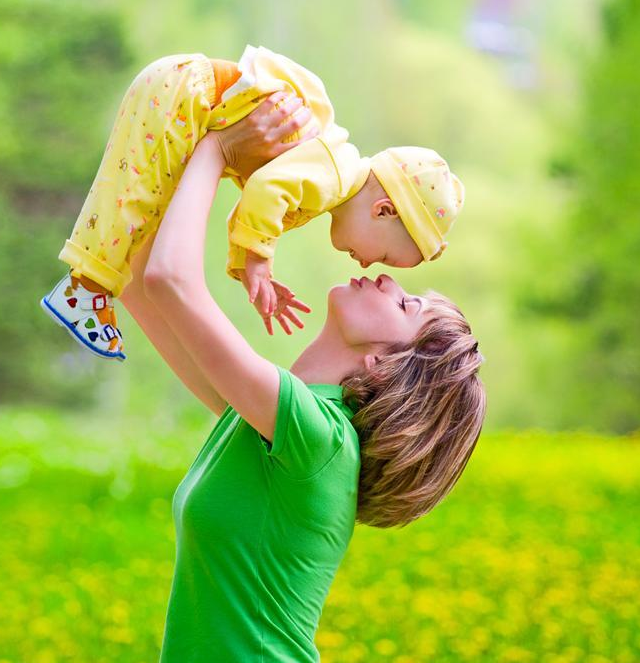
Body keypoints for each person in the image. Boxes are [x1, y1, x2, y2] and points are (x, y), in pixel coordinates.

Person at [118, 97, 486, 662]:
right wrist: (172, 141)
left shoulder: (321, 441)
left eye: (408, 305)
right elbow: (140, 282)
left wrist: (219, 148)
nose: (387, 281)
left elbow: (170, 280)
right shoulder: (269, 423)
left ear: (389, 365)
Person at [40, 45, 465, 361]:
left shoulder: (327, 180)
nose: (368, 266)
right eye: (385, 255)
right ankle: (86, 290)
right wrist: (260, 260)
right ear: (384, 209)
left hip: (182, 93)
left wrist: (248, 268)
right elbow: (264, 191)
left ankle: (89, 288)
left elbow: (248, 209)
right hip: (188, 96)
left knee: (137, 202)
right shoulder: (334, 174)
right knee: (135, 199)